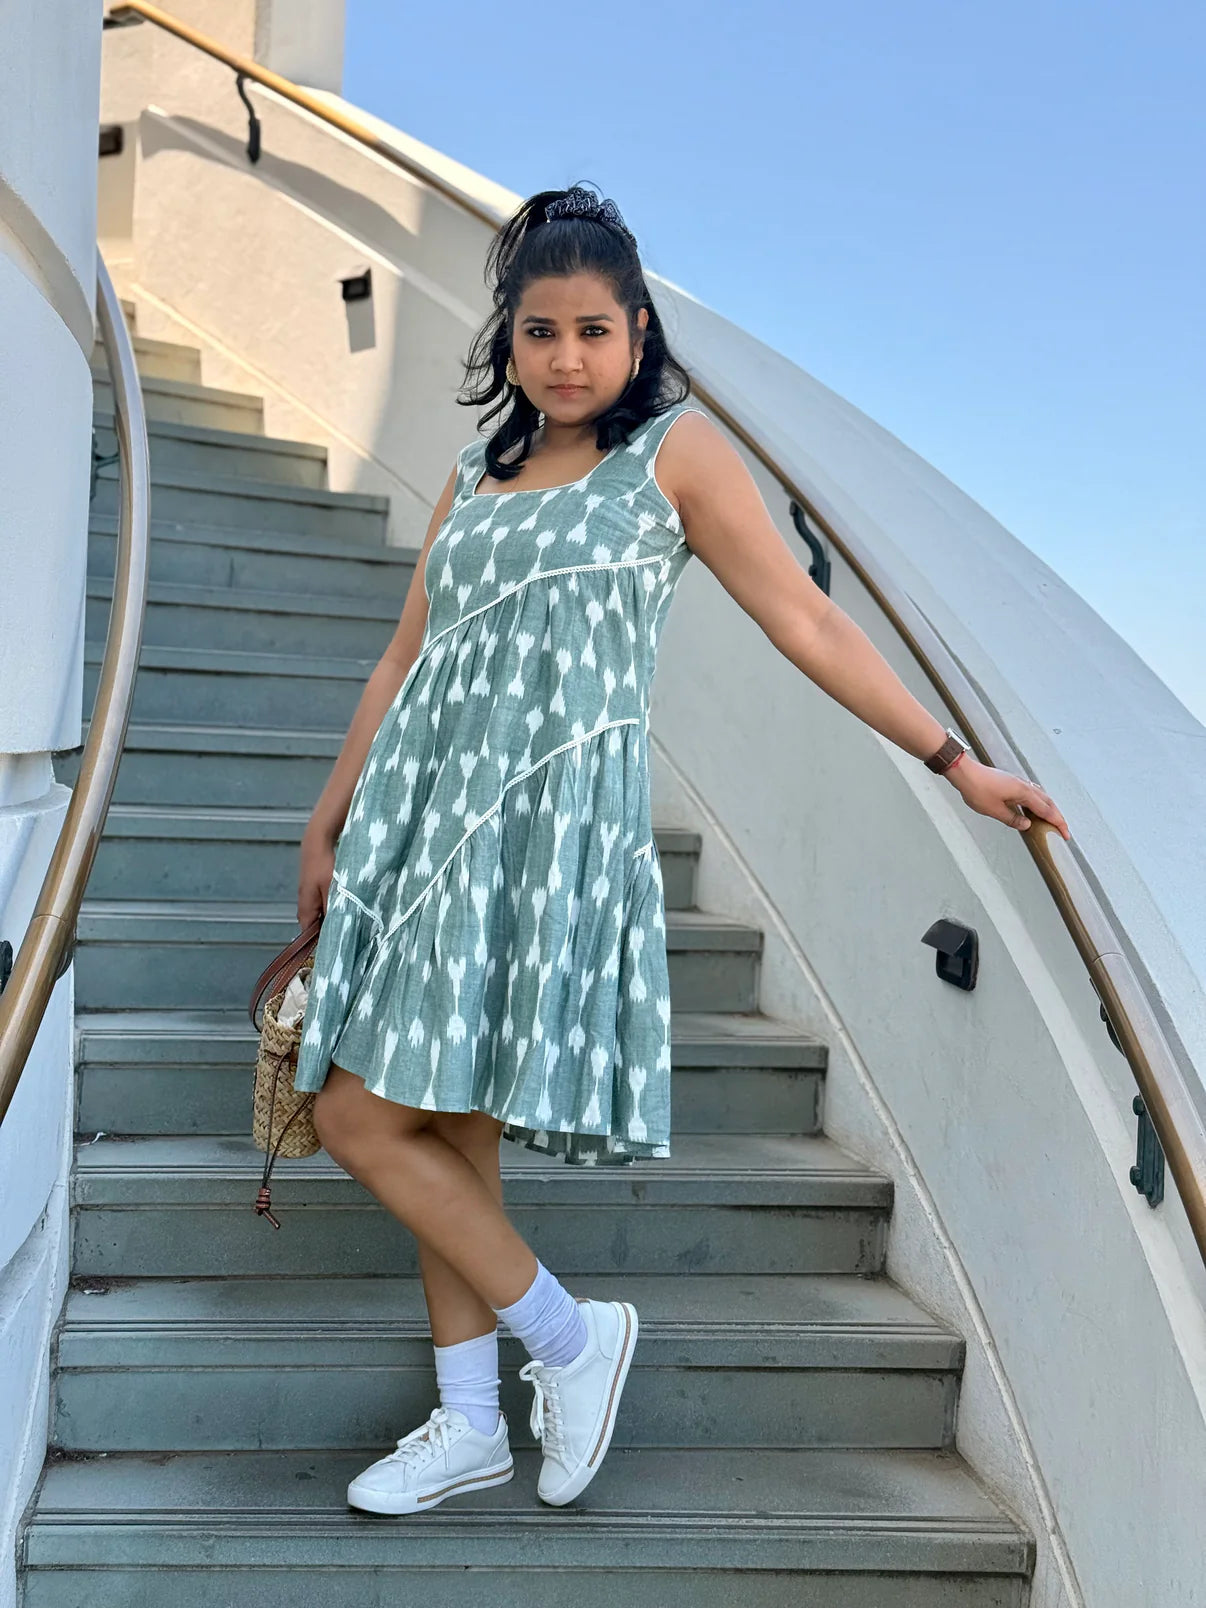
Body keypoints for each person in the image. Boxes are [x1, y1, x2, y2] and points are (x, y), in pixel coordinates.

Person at [291, 181, 1071, 1518]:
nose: (566, 357)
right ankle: (471, 1422)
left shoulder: (677, 457)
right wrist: (330, 816)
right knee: (437, 1124)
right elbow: (405, 655)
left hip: (545, 828)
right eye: (540, 331)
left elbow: (806, 620)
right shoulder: (471, 478)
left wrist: (955, 763)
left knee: (361, 1115)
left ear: (638, 332)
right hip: (421, 823)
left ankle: (570, 1340)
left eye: (593, 330)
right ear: (508, 340)